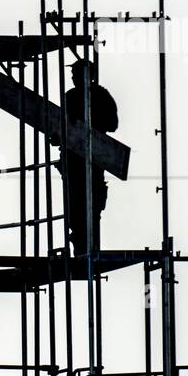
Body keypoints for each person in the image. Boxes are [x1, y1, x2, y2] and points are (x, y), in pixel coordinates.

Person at [60, 60, 118, 255]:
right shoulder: (73, 96)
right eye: (73, 74)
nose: (73, 78)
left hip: (91, 160)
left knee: (87, 204)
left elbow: (112, 124)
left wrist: (88, 127)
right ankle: (81, 246)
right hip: (75, 160)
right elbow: (60, 128)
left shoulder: (99, 96)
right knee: (78, 205)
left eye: (76, 74)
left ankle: (87, 247)